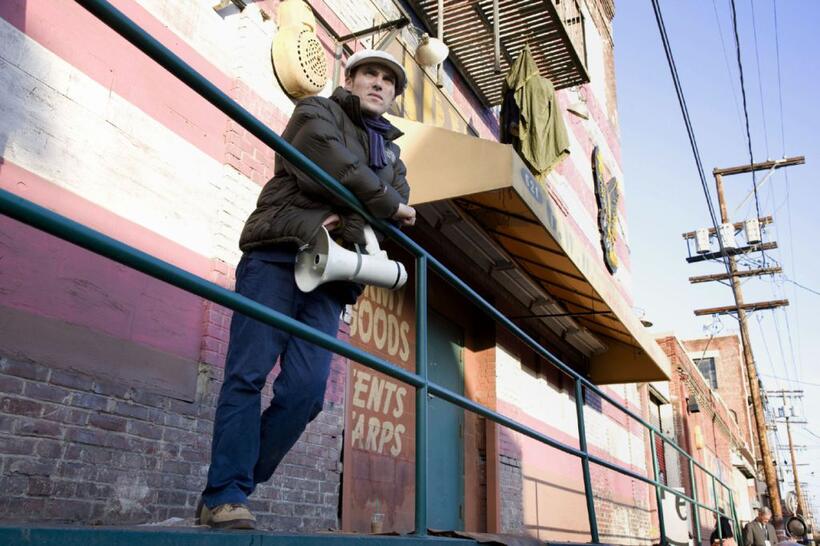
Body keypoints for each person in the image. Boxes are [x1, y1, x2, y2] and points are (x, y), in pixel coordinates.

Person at [196, 49, 416, 529]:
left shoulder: (394, 155)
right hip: (277, 254)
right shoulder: (315, 111)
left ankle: (232, 485)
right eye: (369, 75)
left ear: (395, 97)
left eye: (388, 81)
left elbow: (389, 204)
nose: (379, 84)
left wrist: (368, 206)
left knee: (307, 393)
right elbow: (326, 164)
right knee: (247, 376)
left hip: (331, 280)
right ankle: (225, 494)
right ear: (350, 79)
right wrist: (380, 204)